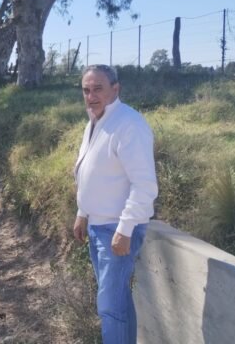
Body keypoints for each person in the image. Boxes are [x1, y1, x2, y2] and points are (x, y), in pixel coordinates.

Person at [72, 64, 158, 344]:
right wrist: (82, 212)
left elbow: (144, 185)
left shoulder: (129, 124)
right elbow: (92, 172)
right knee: (117, 303)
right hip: (98, 227)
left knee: (110, 307)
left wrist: (125, 228)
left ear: (115, 89)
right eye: (86, 90)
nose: (91, 96)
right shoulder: (95, 122)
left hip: (116, 230)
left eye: (98, 89)